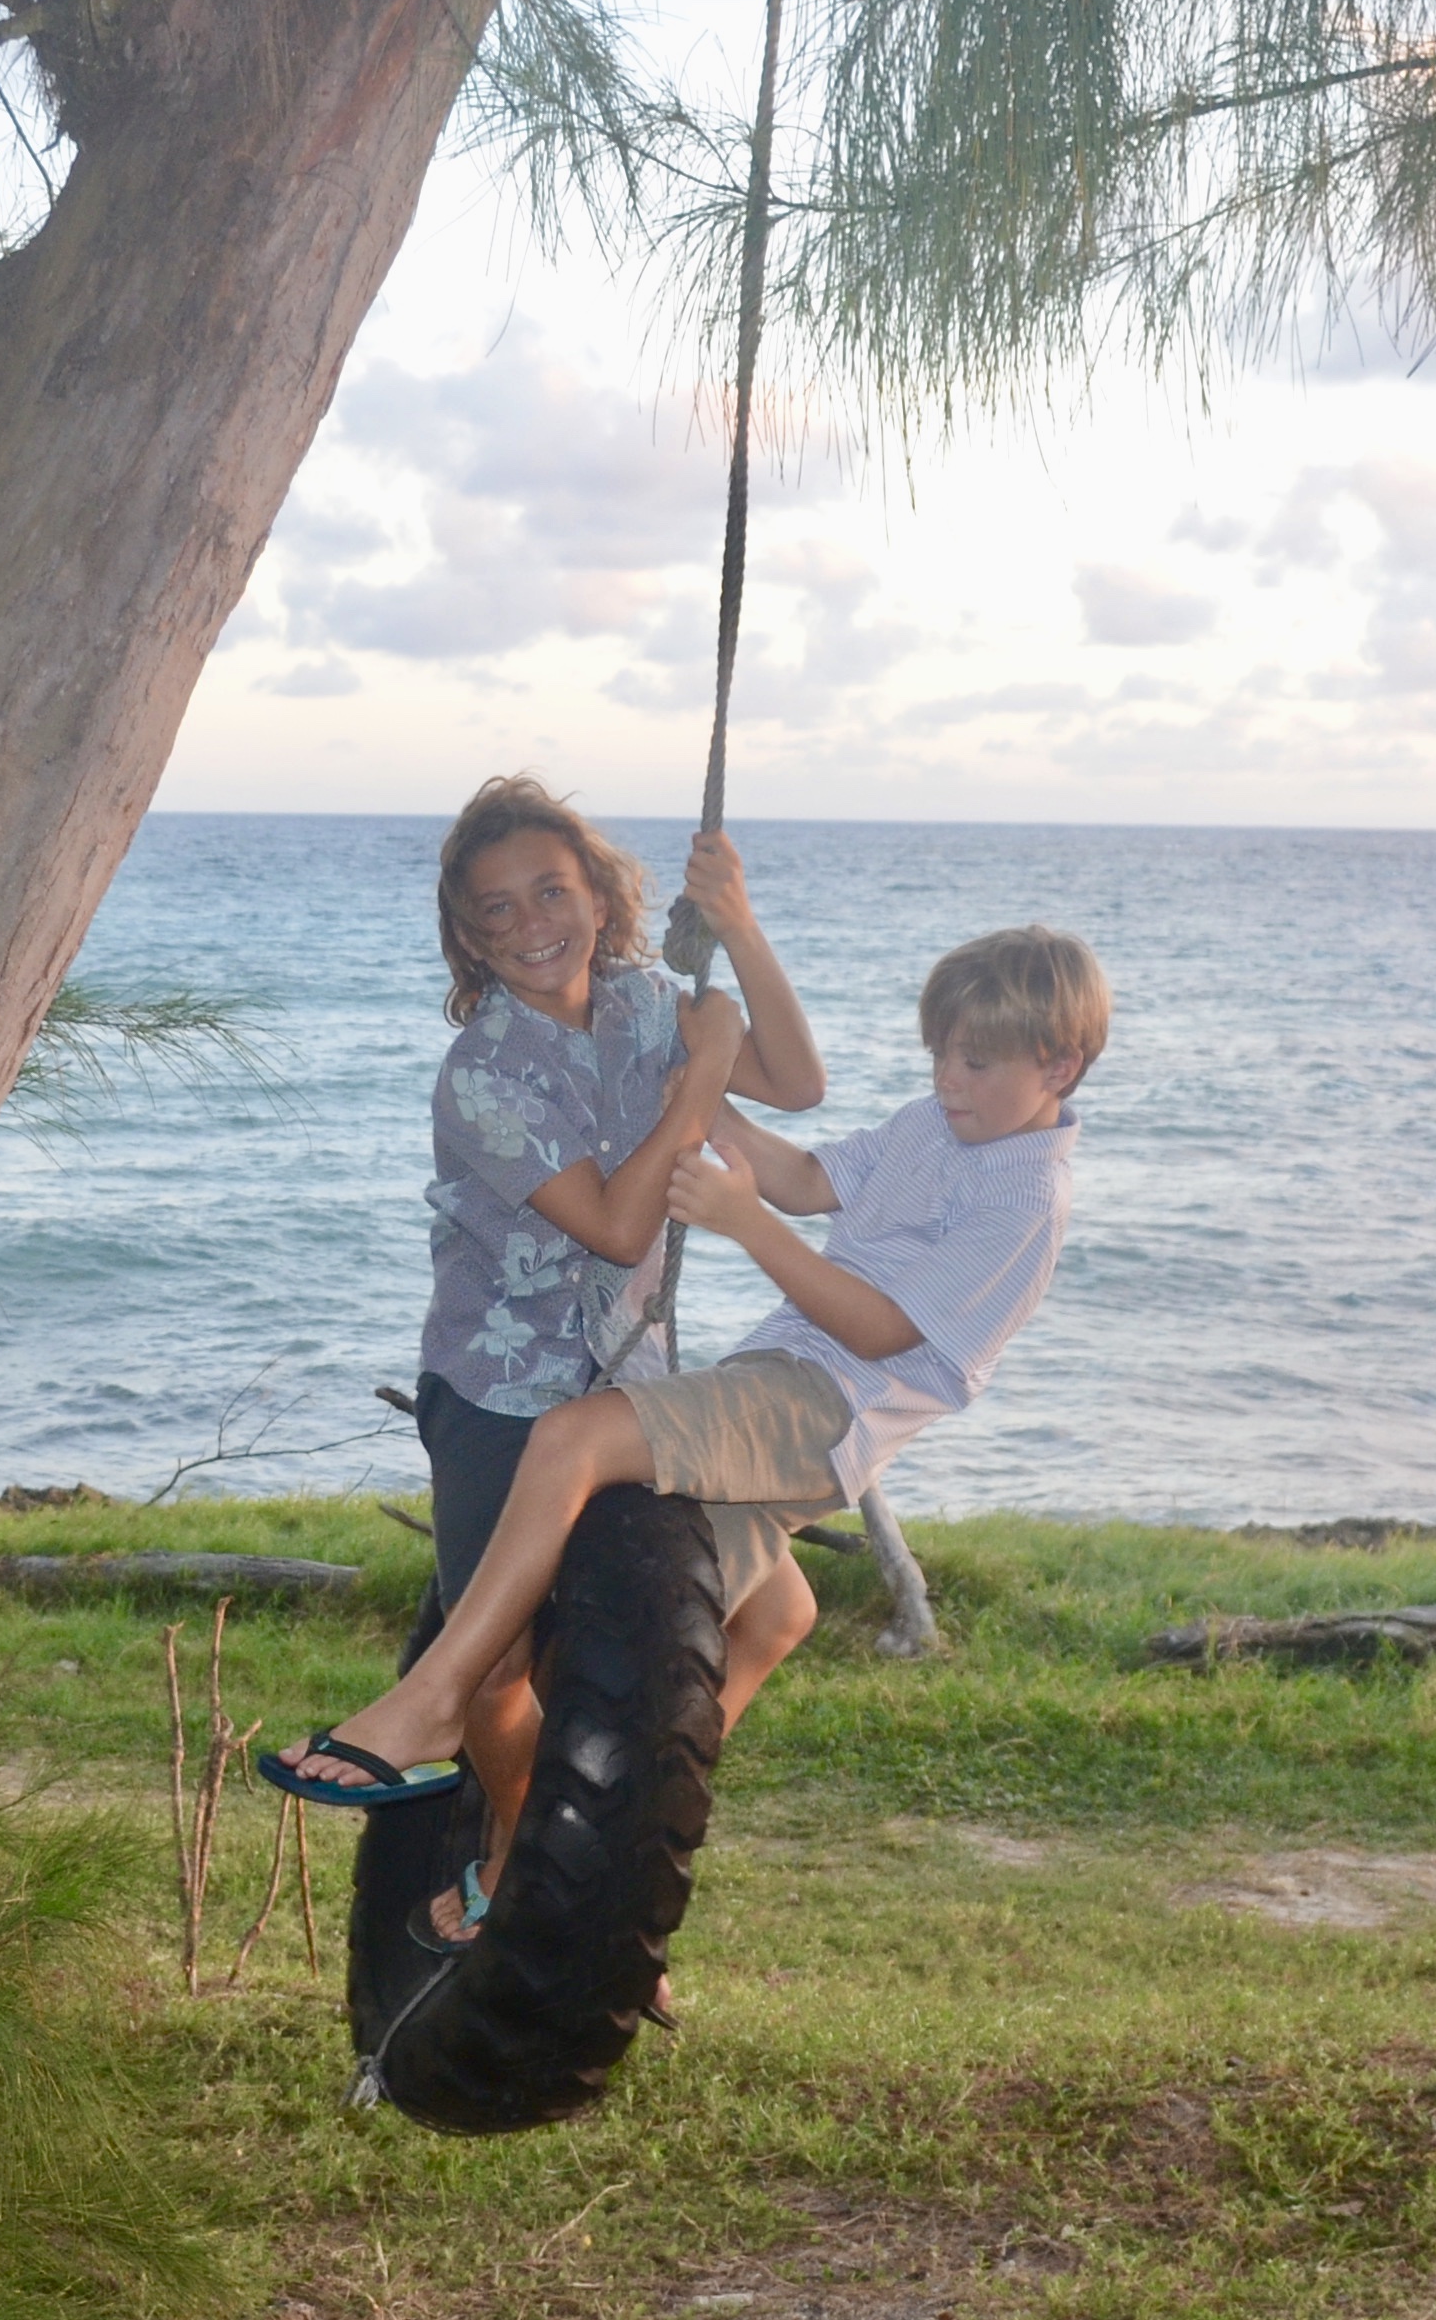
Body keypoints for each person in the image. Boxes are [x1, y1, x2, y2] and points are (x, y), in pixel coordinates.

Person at [272, 923, 1105, 1944]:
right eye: (939, 1053)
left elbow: (879, 1327)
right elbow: (804, 1176)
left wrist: (742, 1221)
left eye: (974, 1062)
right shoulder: (940, 1124)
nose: (946, 1078)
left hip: (821, 1404)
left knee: (573, 1442)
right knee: (748, 1619)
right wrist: (705, 1091)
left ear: (1056, 1066)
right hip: (784, 1389)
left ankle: (438, 1696)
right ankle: (614, 1881)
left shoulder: (1023, 1195)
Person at [253, 778, 821, 1812]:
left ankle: (618, 1815)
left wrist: (737, 929)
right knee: (497, 1669)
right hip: (501, 1395)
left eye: (552, 891)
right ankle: (512, 1843)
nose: (530, 924)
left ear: (600, 898)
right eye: (497, 909)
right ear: (470, 941)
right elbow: (615, 1227)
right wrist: (702, 1078)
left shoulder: (645, 1004)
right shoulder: (480, 1075)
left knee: (778, 1609)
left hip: (628, 1380)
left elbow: (795, 1083)